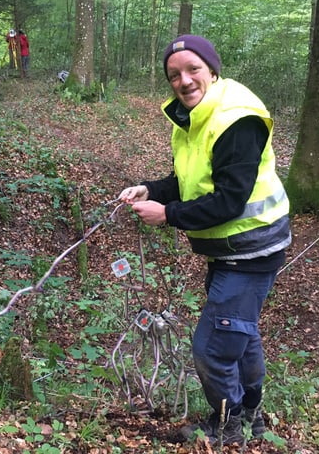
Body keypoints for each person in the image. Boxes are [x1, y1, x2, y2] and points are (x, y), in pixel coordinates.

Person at [118, 34, 291, 447]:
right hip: (234, 249)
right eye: (174, 75)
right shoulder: (194, 116)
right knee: (241, 334)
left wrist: (168, 215)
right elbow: (192, 180)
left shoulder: (236, 118)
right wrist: (152, 190)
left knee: (212, 348)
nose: (184, 80)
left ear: (212, 70)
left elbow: (230, 200)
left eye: (193, 69)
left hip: (251, 249)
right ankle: (251, 415)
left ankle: (229, 427)